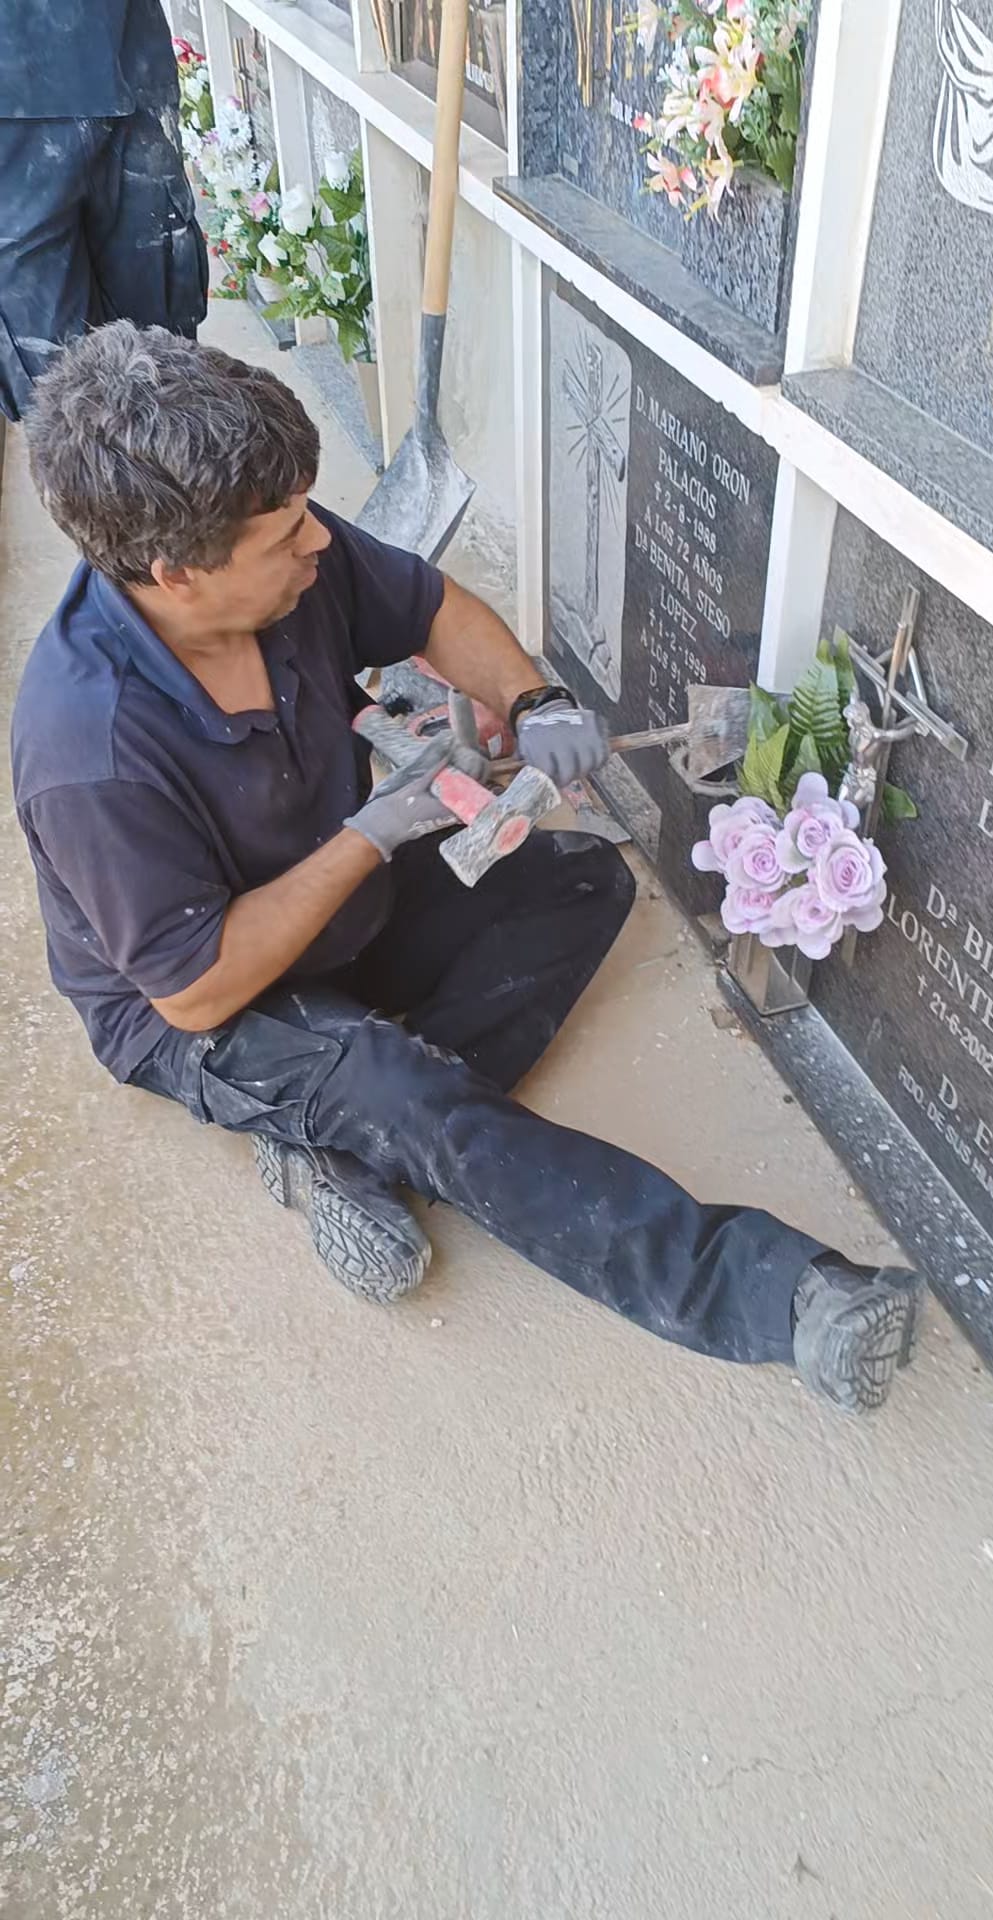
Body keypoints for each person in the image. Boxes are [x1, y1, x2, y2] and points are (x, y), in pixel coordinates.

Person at [12, 322, 923, 1416]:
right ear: (177, 574)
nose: (316, 544)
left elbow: (432, 607)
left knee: (584, 884)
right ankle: (780, 1298)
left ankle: (345, 1142)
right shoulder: (88, 745)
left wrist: (534, 701)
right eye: (285, 535)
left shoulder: (281, 554)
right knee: (411, 1093)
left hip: (340, 898)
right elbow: (192, 984)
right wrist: (371, 834)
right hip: (209, 1011)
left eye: (308, 515)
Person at [0, 1, 207, 422]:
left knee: (163, 365)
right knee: (60, 395)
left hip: (128, 63)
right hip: (15, 101)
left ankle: (172, 483)